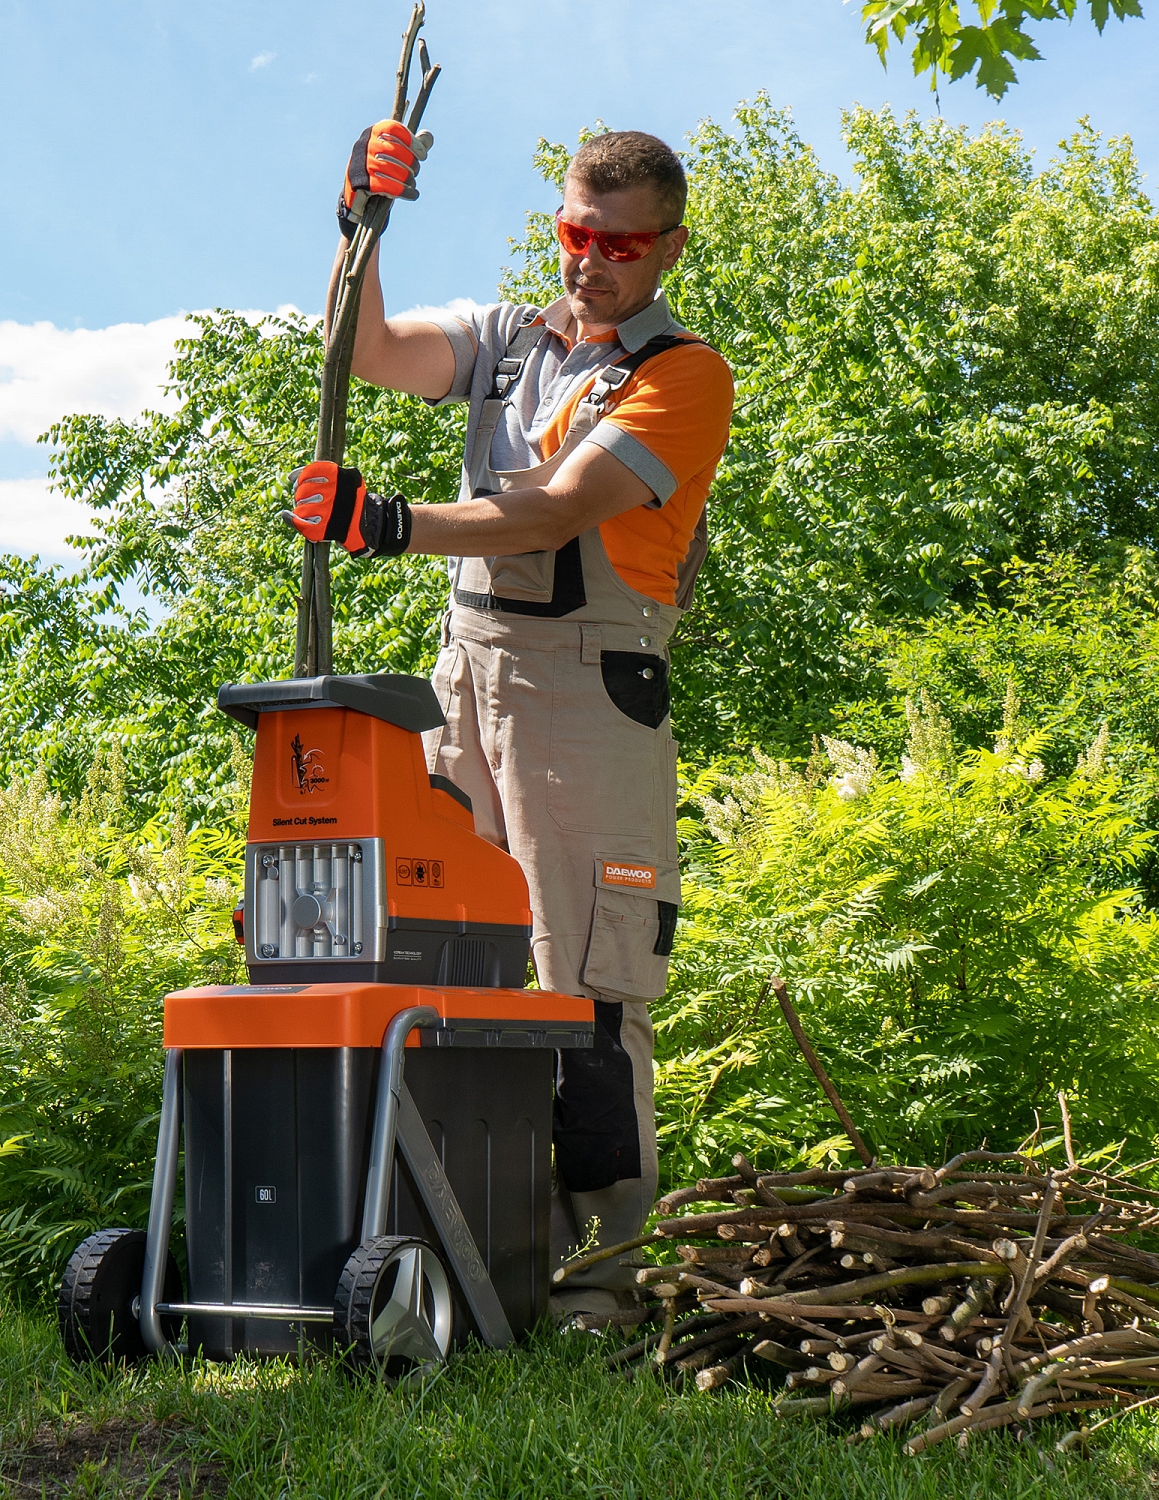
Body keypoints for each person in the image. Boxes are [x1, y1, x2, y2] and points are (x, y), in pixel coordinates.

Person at [288, 123, 734, 1316]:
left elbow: (552, 512)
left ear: (669, 248)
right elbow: (366, 347)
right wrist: (357, 221)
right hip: (464, 673)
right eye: (579, 235)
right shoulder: (505, 341)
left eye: (624, 245)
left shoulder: (683, 375)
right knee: (451, 957)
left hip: (588, 688)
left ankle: (601, 1286)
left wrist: (387, 524)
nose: (595, 264)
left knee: (586, 990)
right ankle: (476, 1250)